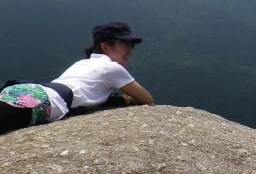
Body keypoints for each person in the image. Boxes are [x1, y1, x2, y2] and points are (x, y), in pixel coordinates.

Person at [0, 21, 155, 134]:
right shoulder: (112, 68)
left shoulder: (83, 63)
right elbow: (147, 99)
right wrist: (126, 98)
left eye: (132, 45)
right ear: (105, 46)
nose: (130, 50)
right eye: (125, 44)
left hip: (27, 90)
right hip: (45, 102)